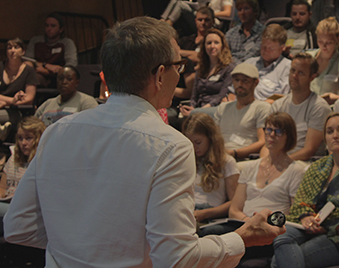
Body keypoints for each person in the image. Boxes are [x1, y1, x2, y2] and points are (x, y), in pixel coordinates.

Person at [3, 17, 283, 267]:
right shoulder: (169, 145)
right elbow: (177, 258)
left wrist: (80, 246)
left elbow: (19, 226)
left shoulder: (56, 131)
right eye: (178, 66)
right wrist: (241, 238)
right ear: (160, 75)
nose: (179, 73)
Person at [271, 112, 339, 268]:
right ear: (325, 138)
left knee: (278, 261)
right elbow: (300, 203)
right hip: (308, 228)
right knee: (281, 237)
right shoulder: (317, 167)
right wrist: (306, 217)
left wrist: (326, 227)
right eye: (330, 132)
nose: (335, 135)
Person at [200, 112, 305, 240]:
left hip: (273, 227)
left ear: (289, 136)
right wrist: (249, 222)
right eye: (269, 130)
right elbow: (234, 210)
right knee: (208, 232)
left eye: (278, 131)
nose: (272, 135)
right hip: (245, 224)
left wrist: (263, 224)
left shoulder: (296, 170)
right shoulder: (249, 167)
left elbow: (294, 214)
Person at [268, 53, 332, 161]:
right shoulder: (278, 105)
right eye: (293, 71)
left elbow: (309, 150)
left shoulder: (319, 108)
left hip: (305, 165)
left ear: (312, 77)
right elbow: (269, 142)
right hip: (278, 161)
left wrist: (280, 162)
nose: (294, 76)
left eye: (301, 73)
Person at [181, 113, 239, 224]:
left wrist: (205, 213)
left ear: (211, 138)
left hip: (208, 214)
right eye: (190, 143)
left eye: (198, 142)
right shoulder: (187, 160)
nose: (193, 147)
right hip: (187, 208)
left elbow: (235, 203)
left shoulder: (227, 162)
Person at [214, 62, 270, 160]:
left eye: (245, 81)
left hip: (245, 158)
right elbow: (214, 137)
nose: (240, 84)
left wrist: (234, 153)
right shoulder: (223, 107)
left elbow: (263, 141)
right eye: (237, 80)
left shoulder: (262, 108)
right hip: (220, 156)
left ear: (255, 83)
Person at [179, 28, 234, 118]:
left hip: (215, 111)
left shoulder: (229, 68)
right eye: (209, 43)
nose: (212, 46)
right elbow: (194, 94)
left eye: (216, 43)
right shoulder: (202, 68)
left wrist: (199, 111)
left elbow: (221, 96)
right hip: (198, 109)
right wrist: (192, 107)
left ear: (222, 46)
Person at [0, 117, 46, 220]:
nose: (23, 143)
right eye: (20, 138)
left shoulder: (43, 162)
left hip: (26, 211)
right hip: (7, 205)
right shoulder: (14, 158)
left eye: (28, 138)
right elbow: (2, 187)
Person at [307, 17, 339, 105]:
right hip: (307, 109)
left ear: (338, 38)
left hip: (331, 110)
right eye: (320, 41)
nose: (324, 46)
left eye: (329, 43)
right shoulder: (308, 58)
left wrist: (335, 98)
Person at [24, 12, 78, 88]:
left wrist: (47, 72)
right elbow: (27, 60)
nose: (49, 29)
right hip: (38, 75)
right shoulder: (35, 41)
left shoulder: (67, 43)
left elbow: (71, 65)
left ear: (61, 29)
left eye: (53, 26)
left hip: (59, 78)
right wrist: (46, 65)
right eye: (47, 26)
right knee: (30, 76)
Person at [245, 24, 293, 102]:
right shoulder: (249, 63)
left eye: (270, 48)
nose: (265, 51)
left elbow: (282, 100)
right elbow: (232, 92)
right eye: (263, 46)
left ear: (282, 48)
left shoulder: (288, 68)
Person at [225, 0, 265, 64]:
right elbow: (224, 54)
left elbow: (255, 54)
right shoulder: (231, 33)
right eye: (240, 10)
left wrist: (235, 61)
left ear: (255, 11)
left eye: (246, 9)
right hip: (231, 68)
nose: (242, 13)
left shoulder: (263, 32)